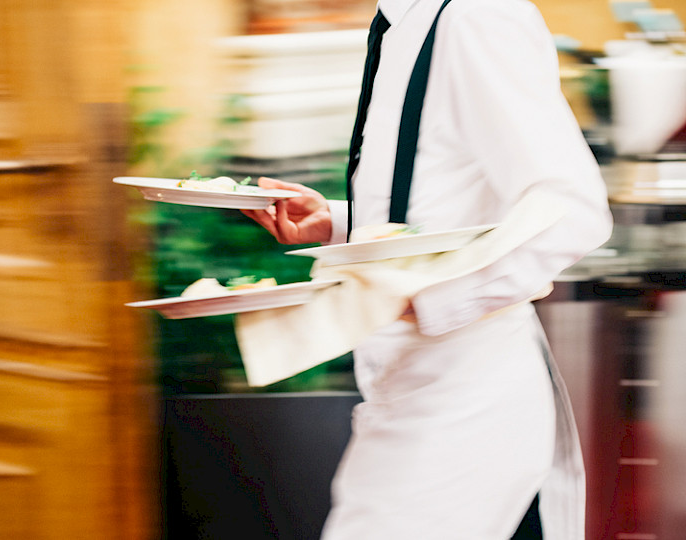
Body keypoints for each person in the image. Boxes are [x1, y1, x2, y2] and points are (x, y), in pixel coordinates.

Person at [241, 0, 613, 538]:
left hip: (467, 401)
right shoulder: (401, 24)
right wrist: (339, 223)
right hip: (405, 391)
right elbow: (441, 195)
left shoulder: (480, 18)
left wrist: (428, 298)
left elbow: (570, 212)